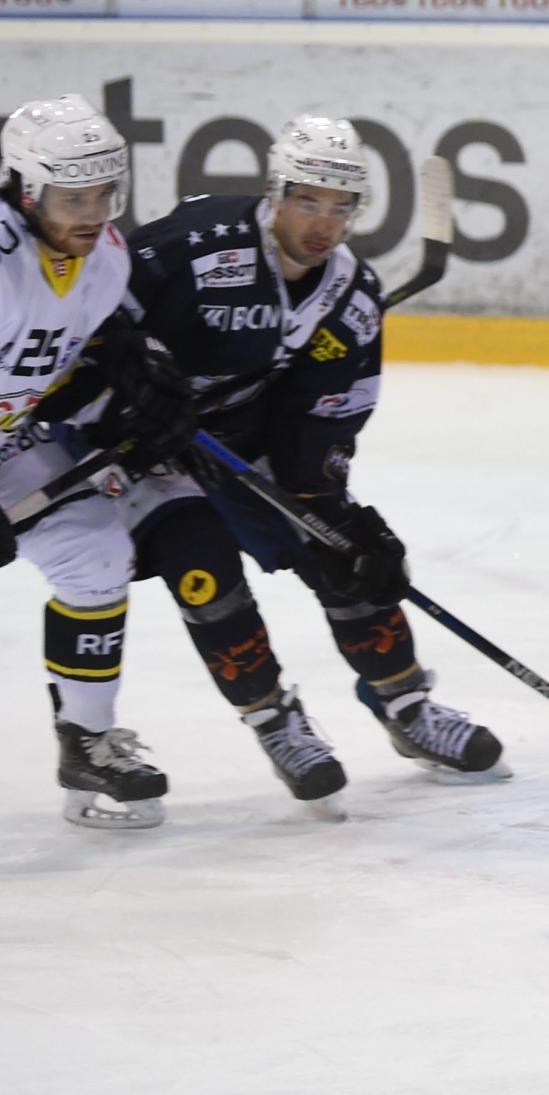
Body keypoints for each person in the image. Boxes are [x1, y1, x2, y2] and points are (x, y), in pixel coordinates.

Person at [116, 116, 507, 809]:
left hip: (242, 435)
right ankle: (274, 721)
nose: (321, 222)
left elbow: (318, 415)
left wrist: (327, 504)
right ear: (275, 192)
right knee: (203, 569)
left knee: (347, 554)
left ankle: (408, 709)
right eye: (307, 200)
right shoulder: (195, 244)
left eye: (339, 206)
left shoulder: (351, 298)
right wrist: (129, 379)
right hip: (146, 445)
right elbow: (95, 312)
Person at [0, 95, 198, 830]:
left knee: (95, 551)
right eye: (69, 197)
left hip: (8, 441)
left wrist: (126, 397)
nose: (90, 212)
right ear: (24, 188)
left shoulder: (104, 259)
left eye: (103, 195)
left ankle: (86, 740)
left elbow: (53, 374)